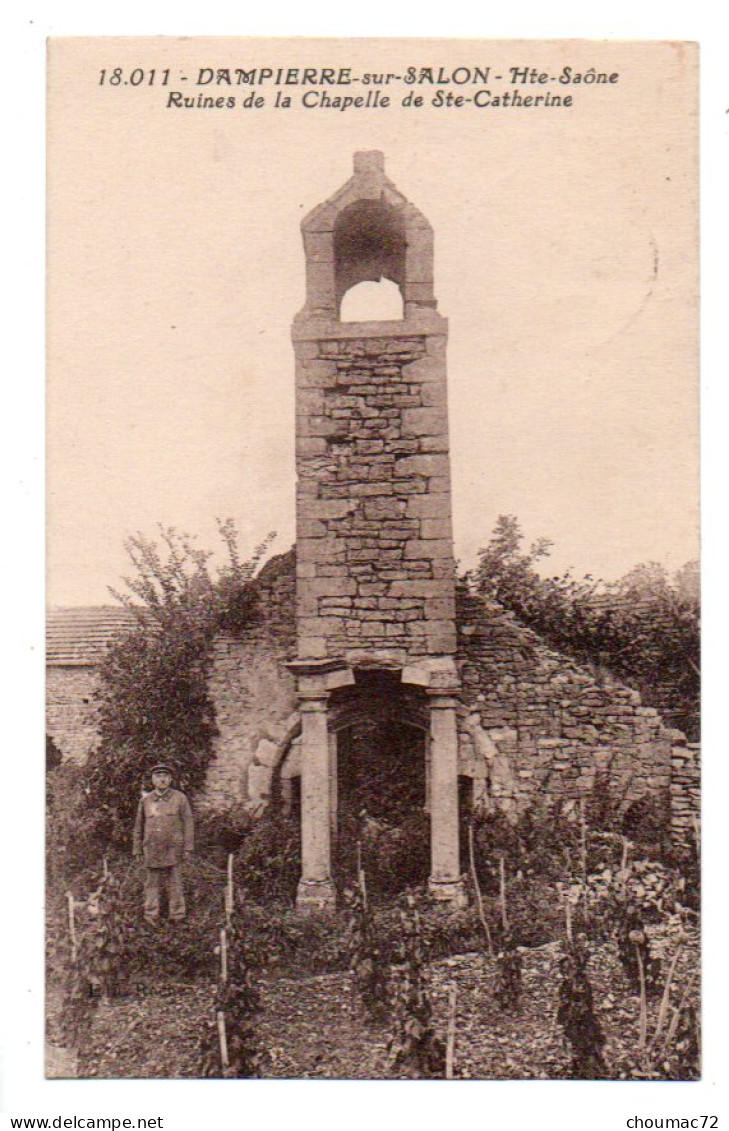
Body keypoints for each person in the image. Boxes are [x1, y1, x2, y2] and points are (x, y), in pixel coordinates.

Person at [133, 763, 194, 924]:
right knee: (151, 884)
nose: (162, 779)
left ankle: (177, 915)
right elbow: (139, 826)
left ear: (170, 779)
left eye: (165, 776)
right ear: (153, 780)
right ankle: (151, 915)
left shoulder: (180, 798)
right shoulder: (145, 801)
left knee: (175, 883)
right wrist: (137, 849)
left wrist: (188, 847)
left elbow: (188, 823)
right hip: (152, 849)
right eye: (158, 776)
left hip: (174, 849)